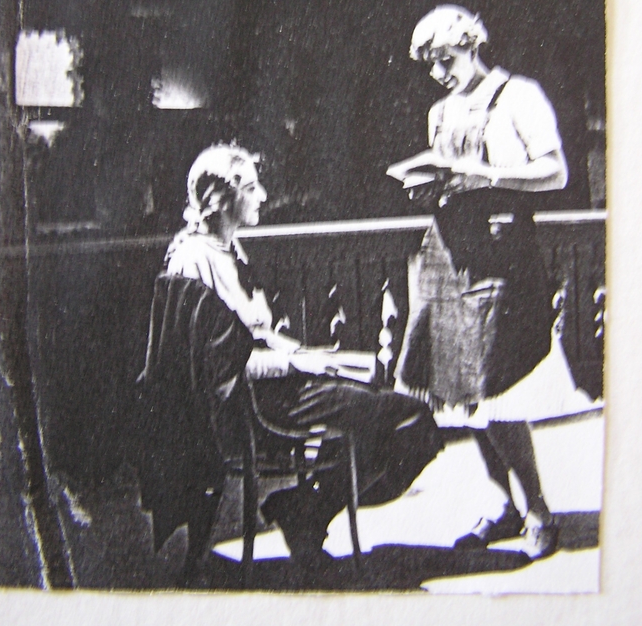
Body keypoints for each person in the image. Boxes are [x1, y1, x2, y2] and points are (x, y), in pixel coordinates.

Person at [161, 143, 443, 573]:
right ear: (219, 199)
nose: (263, 197)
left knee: (390, 400)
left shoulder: (228, 249)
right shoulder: (193, 260)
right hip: (254, 404)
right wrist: (295, 364)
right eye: (251, 188)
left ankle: (305, 509)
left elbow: (253, 334)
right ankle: (308, 509)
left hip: (281, 387)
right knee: (411, 422)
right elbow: (213, 364)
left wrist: (303, 354)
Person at [391, 5, 583, 561]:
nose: (438, 74)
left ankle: (538, 509)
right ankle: (503, 504)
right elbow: (448, 178)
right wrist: (429, 187)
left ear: (471, 45)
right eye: (430, 65)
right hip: (448, 253)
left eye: (445, 60)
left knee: (495, 389)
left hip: (501, 254)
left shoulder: (518, 95)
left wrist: (488, 176)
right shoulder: (440, 111)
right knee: (459, 389)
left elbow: (556, 171)